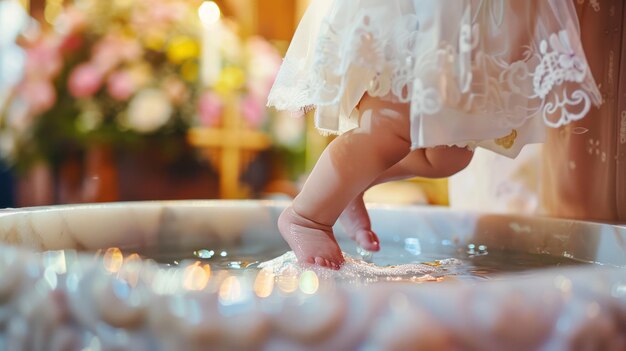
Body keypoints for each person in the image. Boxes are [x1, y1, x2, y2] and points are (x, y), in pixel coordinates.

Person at [267, 0, 601, 269]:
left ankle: (354, 180)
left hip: (470, 21)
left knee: (450, 155)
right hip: (418, 17)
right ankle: (307, 217)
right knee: (390, 125)